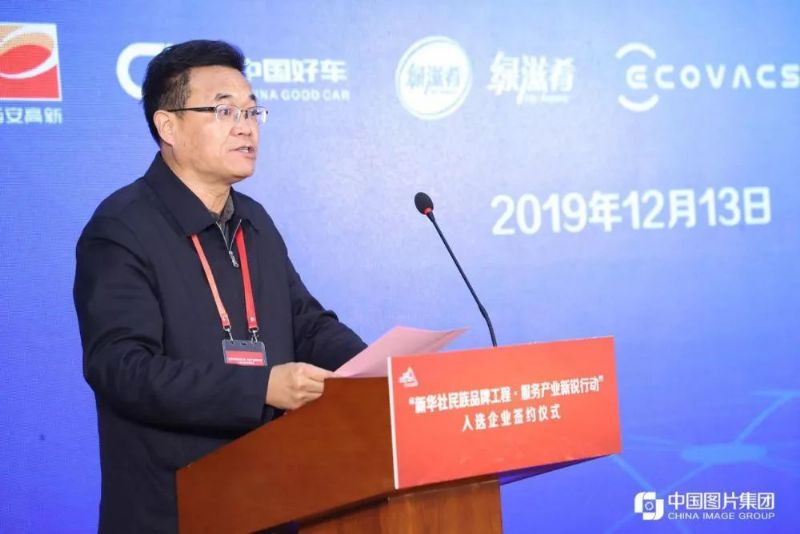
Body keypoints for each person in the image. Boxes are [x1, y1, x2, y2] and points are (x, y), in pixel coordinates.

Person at [73, 40, 366, 533]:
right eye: (224, 110)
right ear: (167, 126)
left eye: (252, 111)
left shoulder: (254, 220)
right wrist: (262, 388)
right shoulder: (121, 229)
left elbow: (306, 324)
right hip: (173, 511)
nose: (246, 126)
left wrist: (376, 369)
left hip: (269, 503)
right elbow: (123, 369)